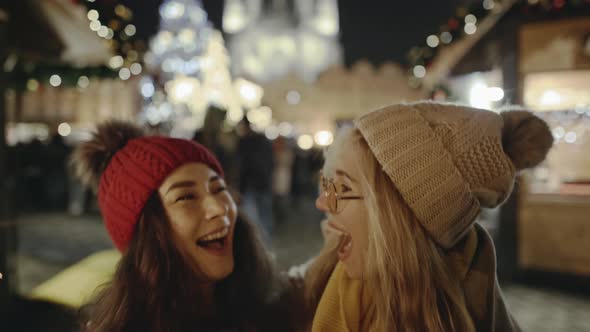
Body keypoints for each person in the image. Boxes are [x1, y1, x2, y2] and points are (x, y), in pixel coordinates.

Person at [305, 102, 553, 332]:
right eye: (327, 184)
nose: (321, 202)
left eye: (344, 188)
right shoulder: (348, 276)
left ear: (400, 217)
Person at [72, 121, 303, 332]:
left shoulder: (267, 302)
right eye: (186, 197)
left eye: (219, 188)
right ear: (146, 230)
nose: (219, 208)